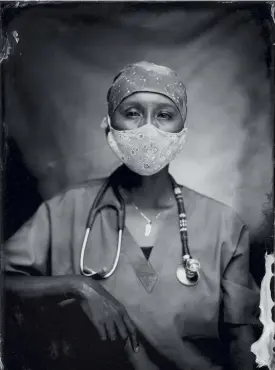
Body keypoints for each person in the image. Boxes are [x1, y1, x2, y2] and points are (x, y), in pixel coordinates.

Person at [4, 61, 260, 370]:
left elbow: (243, 348)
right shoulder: (67, 210)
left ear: (182, 131)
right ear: (109, 125)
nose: (148, 129)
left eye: (164, 115)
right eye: (132, 113)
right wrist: (77, 285)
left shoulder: (224, 227)